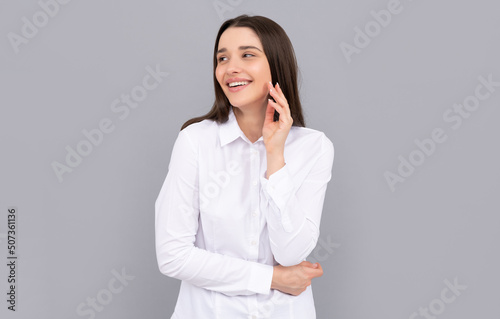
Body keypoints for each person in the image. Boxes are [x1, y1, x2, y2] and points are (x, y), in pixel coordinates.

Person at [155, 14, 334, 318]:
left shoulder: (313, 147)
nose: (230, 68)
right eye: (222, 58)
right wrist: (272, 278)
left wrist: (275, 155)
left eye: (247, 55)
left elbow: (290, 252)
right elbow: (172, 255)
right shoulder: (195, 141)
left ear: (276, 65)